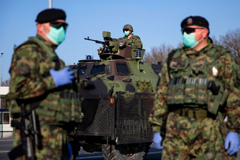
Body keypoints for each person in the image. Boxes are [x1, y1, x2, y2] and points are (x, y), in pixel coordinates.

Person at [149, 15, 240, 159]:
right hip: (175, 131)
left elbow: (235, 95)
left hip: (209, 129)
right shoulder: (174, 58)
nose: (186, 34)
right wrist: (157, 127)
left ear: (204, 32)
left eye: (191, 31)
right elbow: (161, 94)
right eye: (184, 31)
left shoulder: (222, 58)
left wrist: (234, 129)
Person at [6, 8, 82, 159]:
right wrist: (53, 81)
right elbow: (19, 89)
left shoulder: (53, 58)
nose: (60, 30)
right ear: (39, 26)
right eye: (55, 26)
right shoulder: (29, 51)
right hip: (38, 138)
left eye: (63, 26)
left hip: (56, 137)